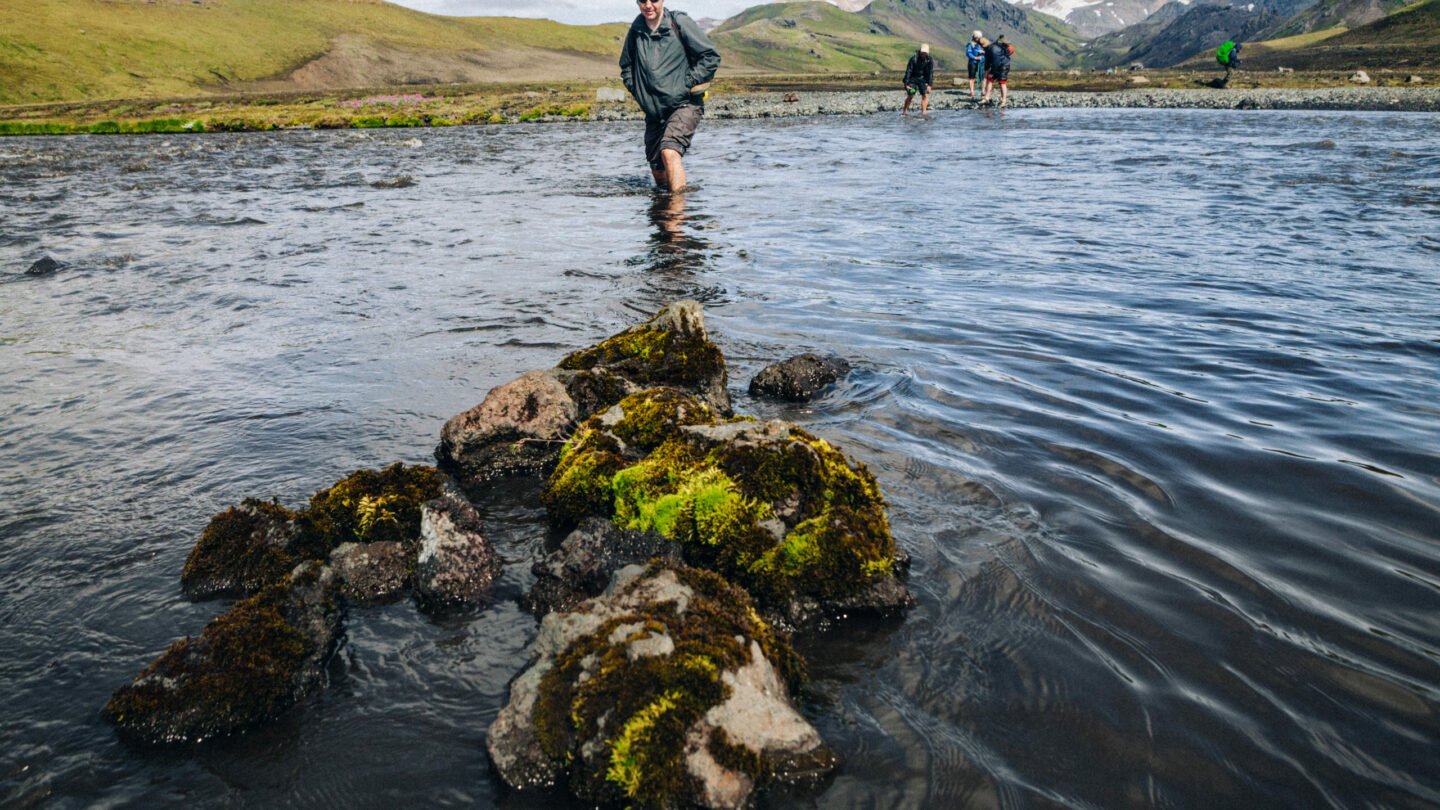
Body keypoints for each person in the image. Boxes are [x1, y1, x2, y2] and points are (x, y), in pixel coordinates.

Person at [619, 0, 720, 193]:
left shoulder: (679, 22)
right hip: (654, 111)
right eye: (642, 0)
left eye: (654, 0)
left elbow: (710, 56)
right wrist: (639, 92)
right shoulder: (636, 29)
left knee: (670, 151)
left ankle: (676, 217)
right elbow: (626, 66)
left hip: (685, 104)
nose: (648, 5)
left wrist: (686, 84)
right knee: (657, 168)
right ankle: (664, 214)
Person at [902, 43, 934, 116]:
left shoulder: (929, 60)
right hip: (912, 78)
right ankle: (905, 111)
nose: (923, 54)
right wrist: (906, 84)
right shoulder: (913, 59)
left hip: (923, 79)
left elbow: (930, 73)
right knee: (911, 94)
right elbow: (908, 71)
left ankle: (924, 112)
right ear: (920, 51)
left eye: (925, 53)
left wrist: (930, 85)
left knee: (925, 95)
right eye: (922, 52)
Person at [981, 34, 1011, 107]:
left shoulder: (993, 49)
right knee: (990, 79)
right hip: (1002, 64)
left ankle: (1003, 101)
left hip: (1003, 65)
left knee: (1002, 82)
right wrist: (986, 70)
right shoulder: (989, 49)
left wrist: (992, 72)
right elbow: (988, 61)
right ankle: (987, 98)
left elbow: (996, 62)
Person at [966, 31, 986, 99]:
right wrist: (975, 57)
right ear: (975, 37)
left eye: (979, 37)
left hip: (982, 62)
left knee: (982, 77)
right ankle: (972, 91)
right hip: (972, 62)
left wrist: (983, 52)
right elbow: (968, 53)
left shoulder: (983, 44)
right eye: (977, 38)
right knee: (972, 77)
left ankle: (983, 91)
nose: (979, 39)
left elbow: (987, 51)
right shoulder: (970, 44)